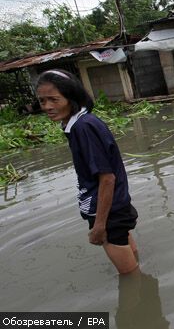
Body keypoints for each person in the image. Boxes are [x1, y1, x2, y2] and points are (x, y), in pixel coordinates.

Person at [36, 69, 139, 274]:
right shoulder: (81, 123)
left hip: (108, 211)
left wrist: (99, 226)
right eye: (42, 101)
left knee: (130, 278)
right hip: (116, 206)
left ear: (71, 97)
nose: (47, 106)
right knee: (132, 259)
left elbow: (107, 178)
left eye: (54, 99)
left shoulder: (83, 127)